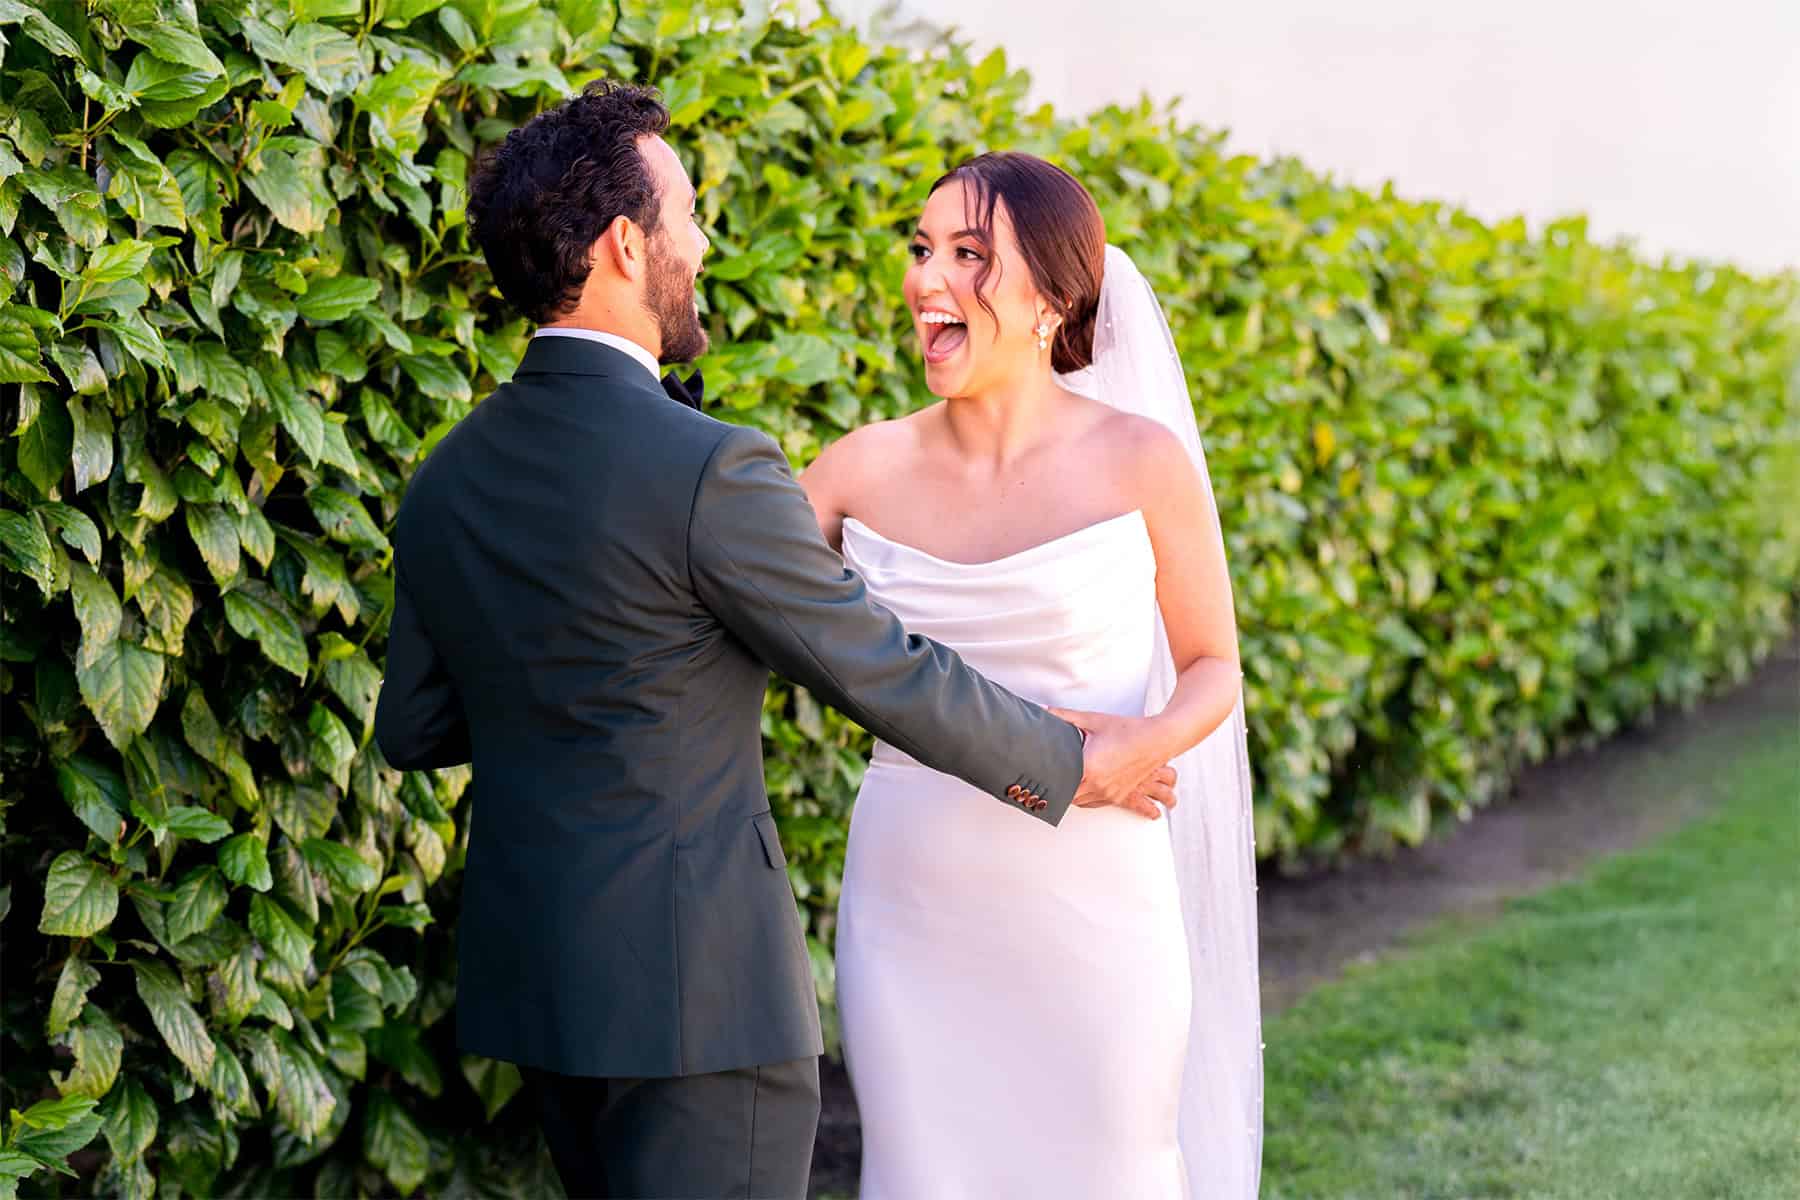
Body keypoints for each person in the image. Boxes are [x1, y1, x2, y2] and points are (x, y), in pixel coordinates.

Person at [371, 86, 1177, 1200]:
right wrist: (1071, 763)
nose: (700, 245)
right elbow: (881, 667)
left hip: (539, 982)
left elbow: (414, 727)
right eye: (686, 216)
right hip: (701, 995)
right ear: (622, 245)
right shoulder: (707, 468)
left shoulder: (444, 481)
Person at [801, 152, 1264, 1199]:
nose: (928, 281)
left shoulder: (1140, 459)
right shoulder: (856, 468)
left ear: (1054, 297)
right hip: (912, 905)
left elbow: (1212, 666)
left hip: (1096, 898)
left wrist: (1134, 747)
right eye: (922, 250)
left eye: (970, 255)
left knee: (1106, 1165)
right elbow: (726, 588)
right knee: (925, 1172)